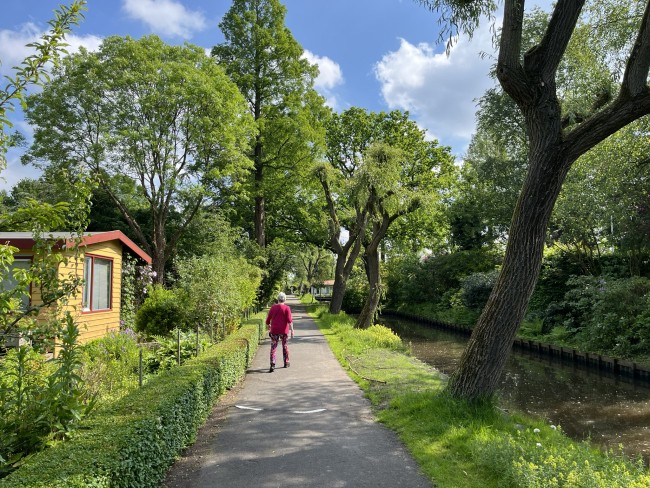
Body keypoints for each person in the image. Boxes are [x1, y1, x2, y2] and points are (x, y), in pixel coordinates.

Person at [265, 291, 294, 372]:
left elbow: (268, 320)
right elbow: (289, 321)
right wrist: (292, 330)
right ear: (285, 299)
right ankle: (286, 362)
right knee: (285, 346)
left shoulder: (273, 307)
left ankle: (272, 364)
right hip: (284, 331)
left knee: (273, 347)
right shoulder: (287, 308)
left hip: (274, 331)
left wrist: (268, 325)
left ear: (278, 299)